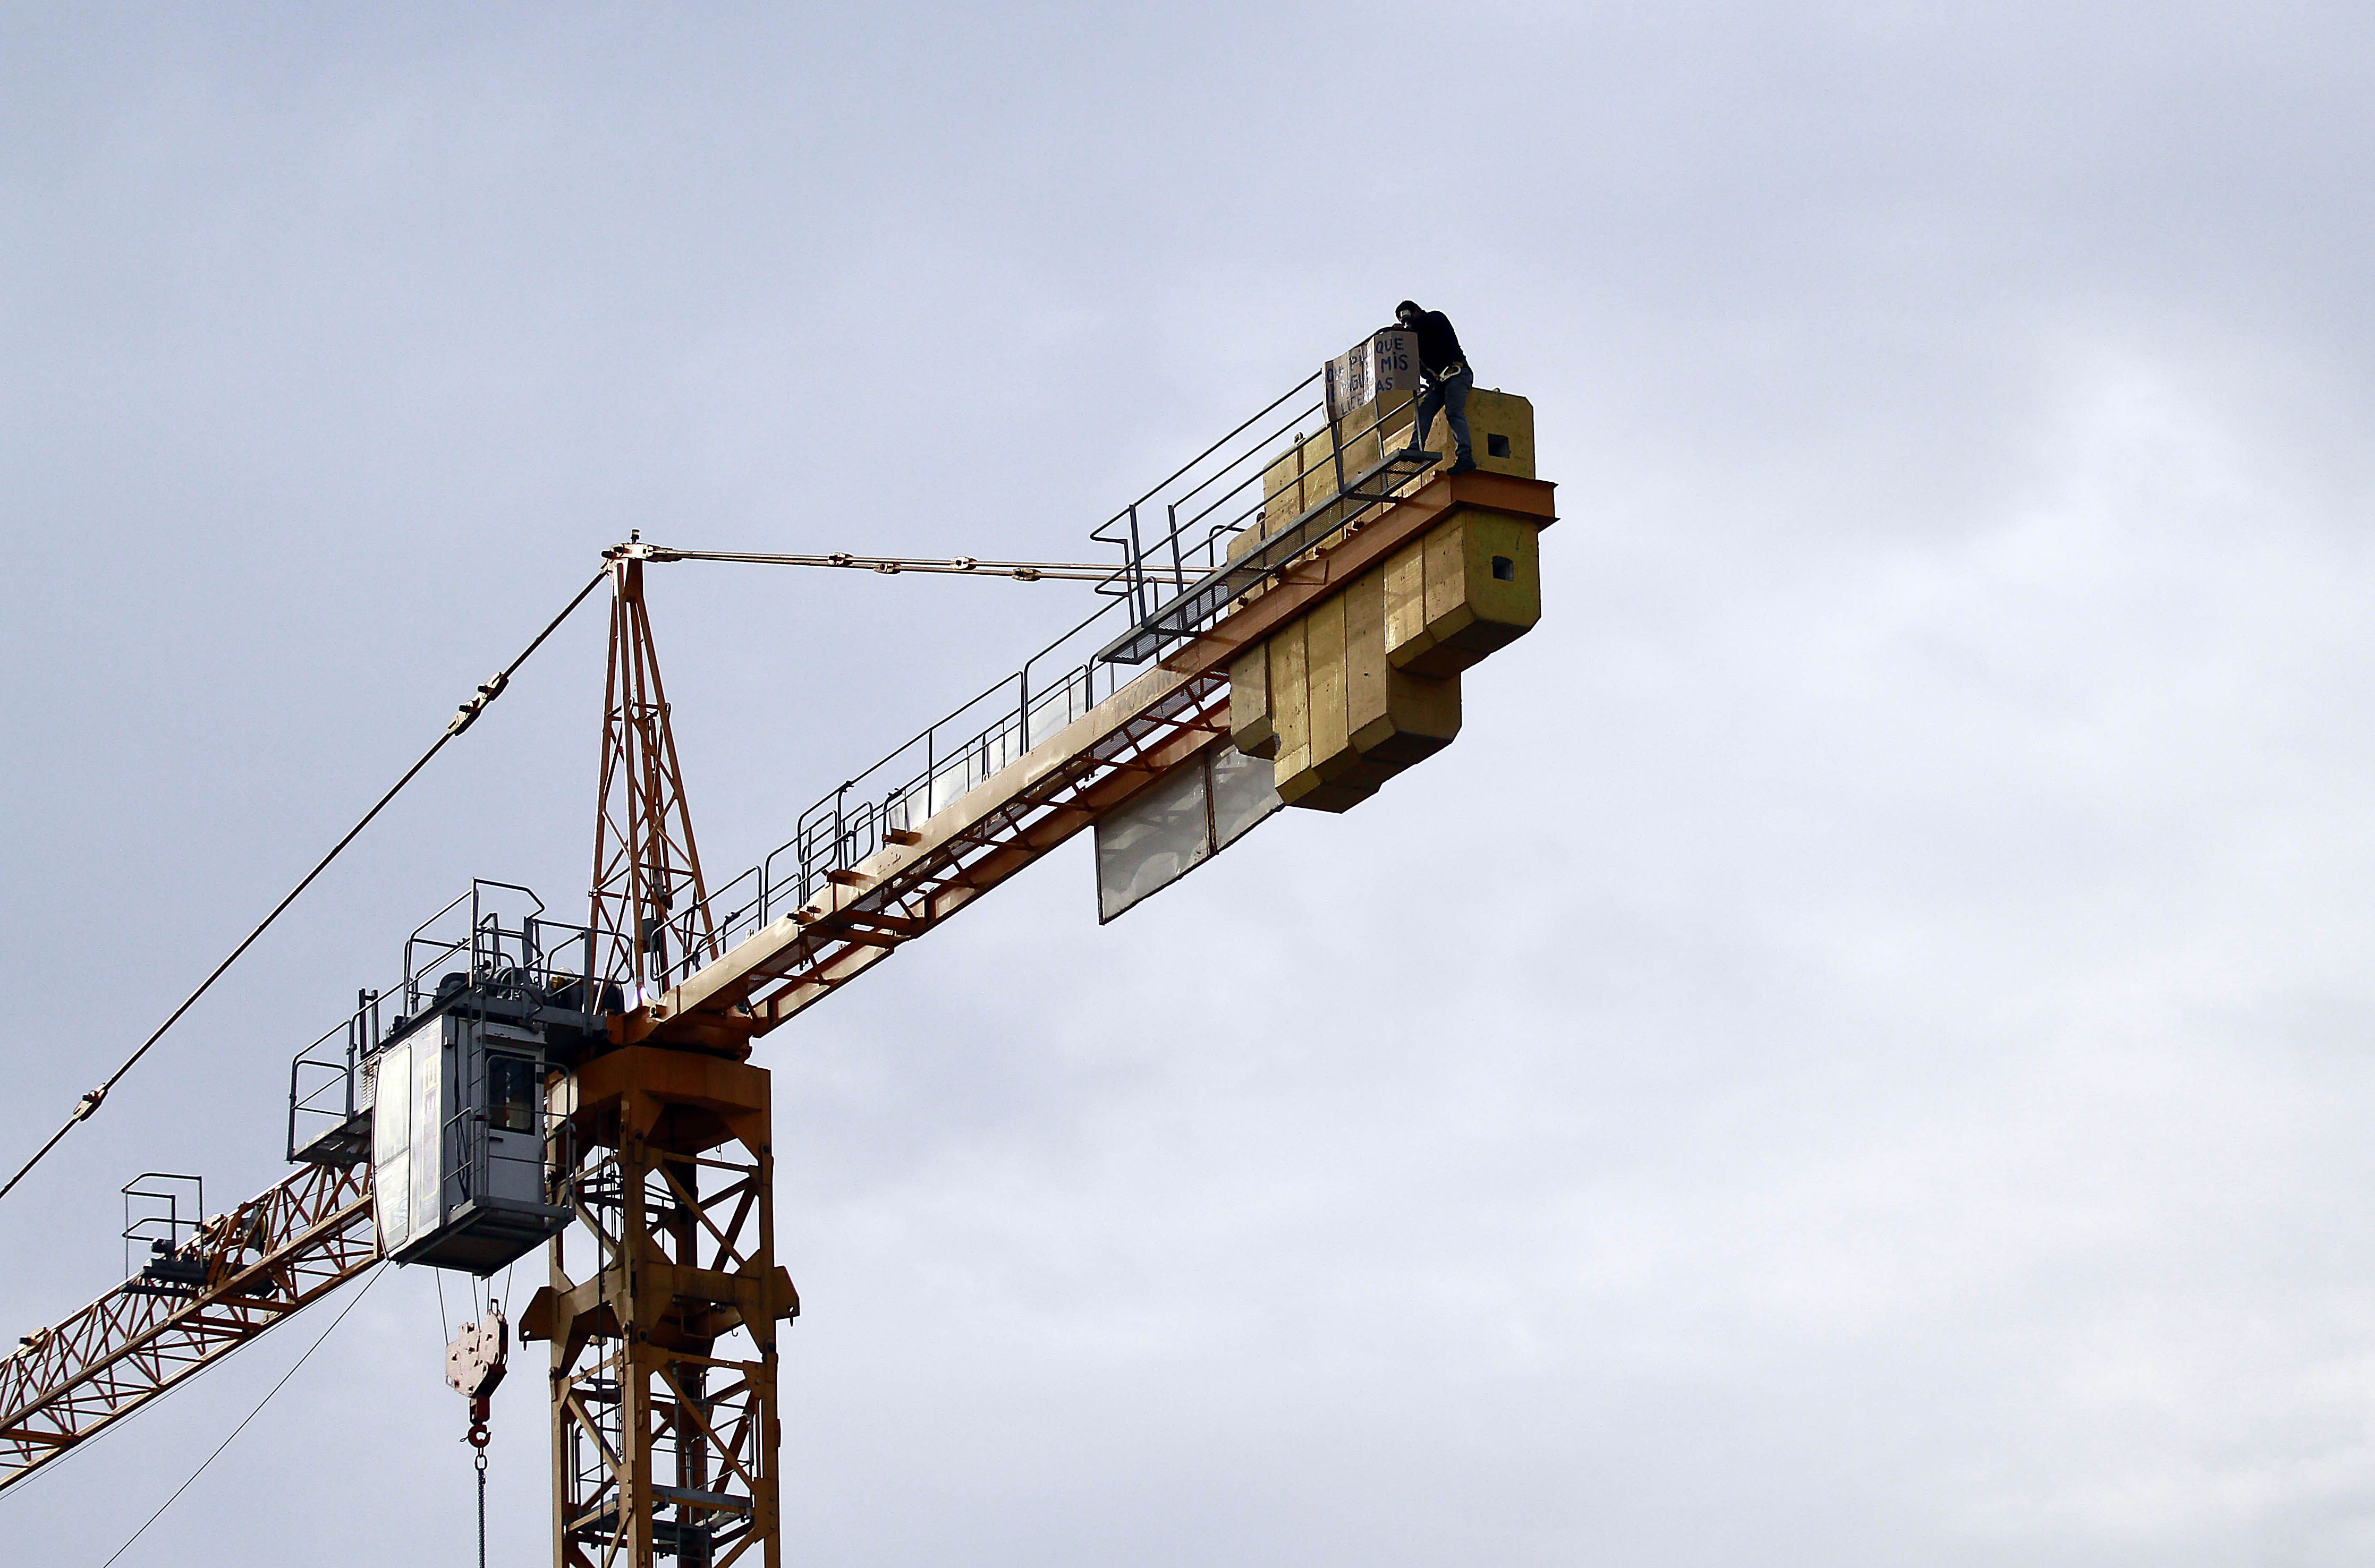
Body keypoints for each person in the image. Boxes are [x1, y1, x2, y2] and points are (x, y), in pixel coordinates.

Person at [1394, 299, 1477, 474]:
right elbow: (1422, 369)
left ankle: (1465, 456)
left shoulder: (1436, 319)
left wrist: (1408, 326)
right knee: (1424, 411)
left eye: (1407, 317)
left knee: (1454, 412)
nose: (1406, 323)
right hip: (1440, 382)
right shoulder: (1416, 343)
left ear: (1417, 312)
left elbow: (1424, 324)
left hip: (1458, 374)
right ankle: (1416, 447)